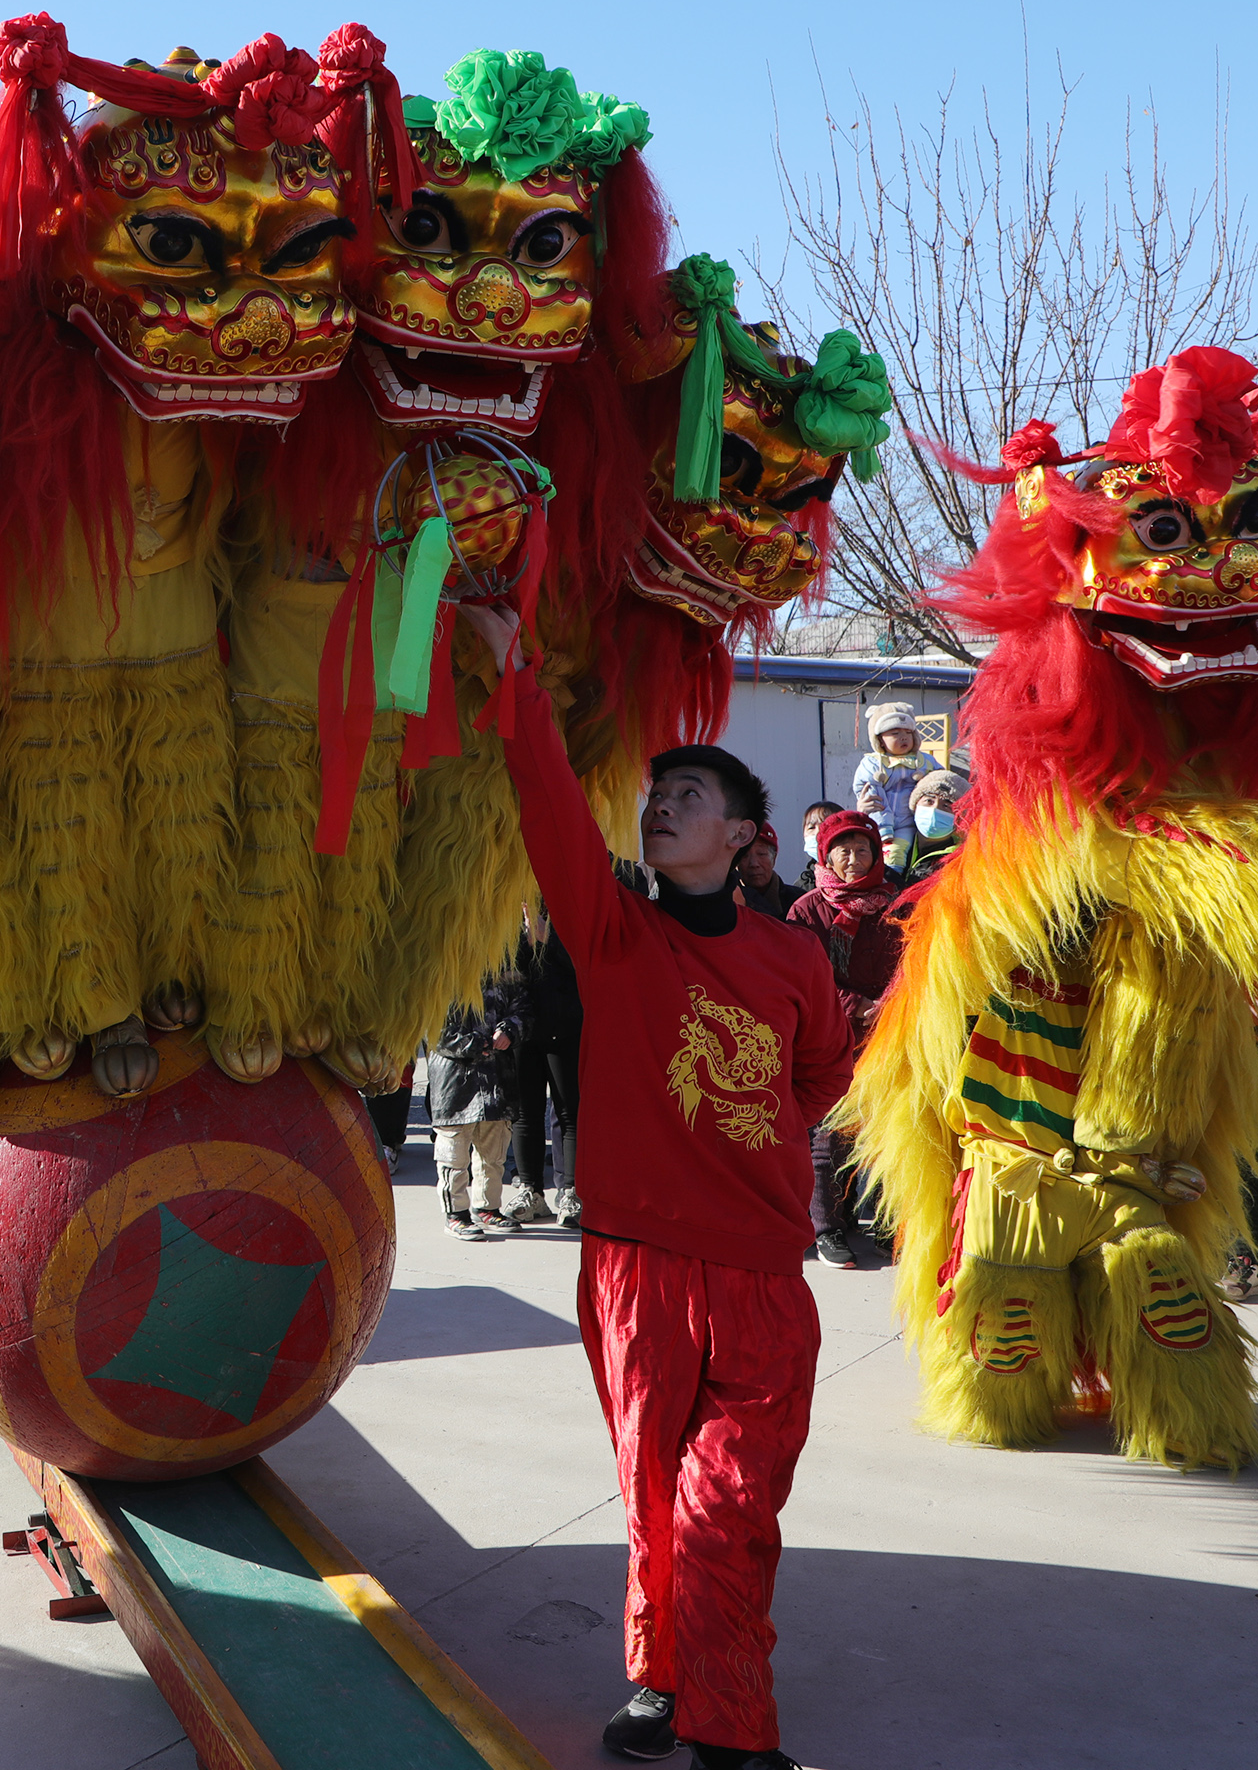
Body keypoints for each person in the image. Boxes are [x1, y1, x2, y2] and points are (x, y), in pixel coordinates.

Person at [479, 605, 851, 1770]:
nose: (660, 805)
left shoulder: (796, 956)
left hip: (759, 1272)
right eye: (655, 793)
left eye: (688, 795)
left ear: (744, 835)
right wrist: (515, 678)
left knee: (727, 1506)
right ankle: (663, 1675)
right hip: (635, 1261)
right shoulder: (616, 935)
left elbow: (821, 1079)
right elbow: (548, 809)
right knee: (652, 1492)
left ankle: (729, 1726)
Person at [787, 811, 902, 1268]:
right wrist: (856, 1004)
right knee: (830, 1135)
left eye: (862, 850)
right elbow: (802, 972)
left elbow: (916, 961)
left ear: (876, 854)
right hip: (830, 1036)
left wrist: (891, 1004)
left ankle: (883, 1223)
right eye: (843, 850)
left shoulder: (898, 903)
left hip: (891, 1032)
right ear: (826, 855)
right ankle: (827, 1229)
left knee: (888, 1130)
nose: (853, 859)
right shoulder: (808, 908)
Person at [426, 966, 527, 1239]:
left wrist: (510, 1030)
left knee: (493, 1153)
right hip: (455, 1083)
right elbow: (430, 1027)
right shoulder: (438, 970)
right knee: (454, 1153)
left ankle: (487, 1207)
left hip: (497, 1079)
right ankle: (455, 1214)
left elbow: (523, 1008)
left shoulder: (503, 968)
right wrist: (473, 1044)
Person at [505, 905, 582, 1226]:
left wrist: (547, 938)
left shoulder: (569, 897)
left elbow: (585, 962)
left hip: (565, 1021)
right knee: (525, 1112)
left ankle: (570, 1191)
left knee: (569, 1111)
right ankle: (530, 1189)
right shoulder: (509, 900)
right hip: (522, 1025)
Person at [851, 703, 939, 872]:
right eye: (895, 733)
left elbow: (942, 781)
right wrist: (882, 827)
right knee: (893, 858)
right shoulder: (872, 763)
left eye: (908, 733)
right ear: (880, 740)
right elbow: (871, 793)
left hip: (914, 823)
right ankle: (893, 885)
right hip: (882, 825)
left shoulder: (924, 761)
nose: (903, 737)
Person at [897, 767, 969, 887]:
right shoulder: (896, 841)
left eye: (946, 805)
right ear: (915, 805)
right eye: (929, 801)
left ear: (959, 817)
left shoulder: (959, 860)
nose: (935, 809)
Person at [732, 823, 801, 920]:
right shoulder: (729, 903)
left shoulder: (799, 901)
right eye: (745, 856)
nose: (754, 864)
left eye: (761, 854)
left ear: (774, 857)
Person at [793, 802, 841, 891]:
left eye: (825, 826)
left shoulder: (857, 874)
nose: (818, 833)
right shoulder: (802, 887)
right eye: (811, 828)